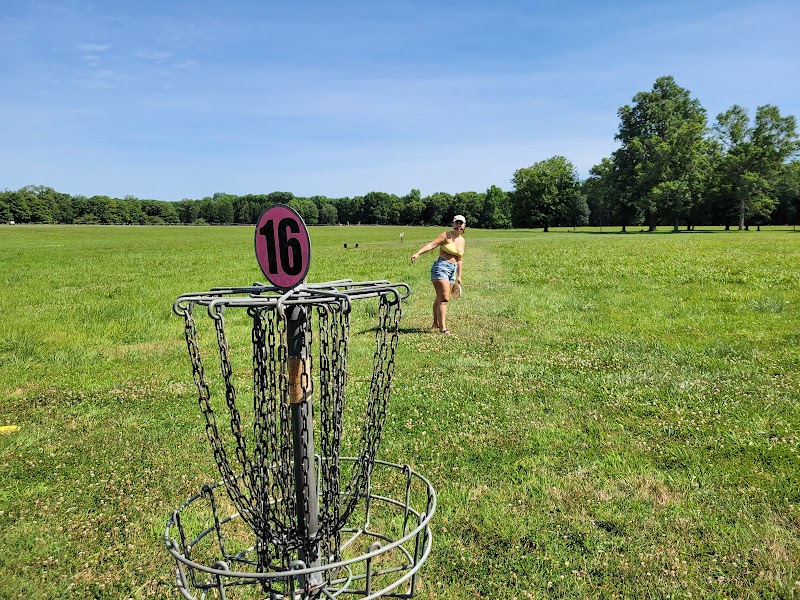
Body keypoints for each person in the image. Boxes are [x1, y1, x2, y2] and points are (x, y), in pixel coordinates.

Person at [410, 215, 466, 334]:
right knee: (444, 299)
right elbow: (432, 245)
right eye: (457, 222)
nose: (459, 225)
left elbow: (460, 259)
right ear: (452, 224)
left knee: (440, 298)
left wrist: (459, 276)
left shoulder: (462, 240)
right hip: (441, 268)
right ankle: (443, 329)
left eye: (461, 223)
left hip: (452, 269)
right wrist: (418, 253)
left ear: (464, 226)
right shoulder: (446, 235)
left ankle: (435, 323)